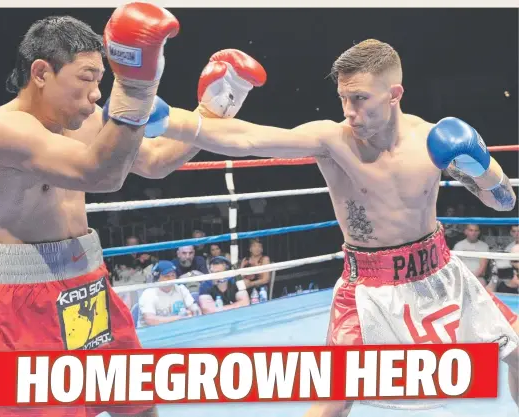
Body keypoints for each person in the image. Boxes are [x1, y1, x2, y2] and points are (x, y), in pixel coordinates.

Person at [149, 39, 519, 414]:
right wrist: (168, 120)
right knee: (335, 398)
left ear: (394, 94)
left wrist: (482, 167)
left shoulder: (431, 139)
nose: (349, 111)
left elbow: (503, 201)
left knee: (517, 350)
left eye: (360, 98)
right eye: (343, 98)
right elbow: (248, 138)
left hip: (440, 272)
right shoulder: (332, 139)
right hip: (369, 288)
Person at [0, 3, 266, 416]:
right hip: (21, 303)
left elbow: (157, 160)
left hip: (87, 286)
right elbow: (98, 175)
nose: (95, 94)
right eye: (86, 78)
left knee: (136, 405)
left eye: (102, 79)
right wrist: (137, 87)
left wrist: (214, 108)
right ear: (40, 73)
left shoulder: (84, 119)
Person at [138, 260, 201, 326]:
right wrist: (179, 318)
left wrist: (194, 313)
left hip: (178, 330)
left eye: (173, 275)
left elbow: (195, 310)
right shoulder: (148, 294)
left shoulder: (181, 289)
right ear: (157, 278)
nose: (171, 279)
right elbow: (150, 320)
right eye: (166, 276)